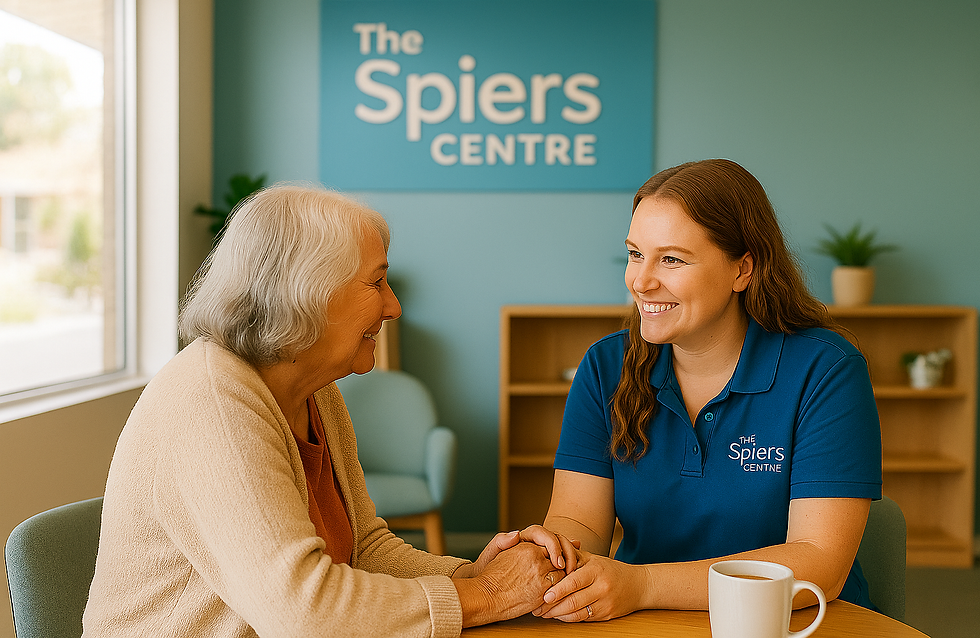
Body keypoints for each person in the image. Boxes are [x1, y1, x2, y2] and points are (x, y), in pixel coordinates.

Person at [82, 185, 576, 637]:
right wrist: (486, 596)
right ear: (308, 293)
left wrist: (472, 574)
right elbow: (303, 613)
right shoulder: (212, 403)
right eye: (376, 283)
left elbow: (364, 549)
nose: (393, 307)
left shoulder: (312, 390)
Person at [534, 159, 882, 622]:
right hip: (647, 620)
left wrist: (644, 583)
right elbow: (578, 523)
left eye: (672, 259)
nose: (641, 281)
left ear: (743, 269)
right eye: (635, 254)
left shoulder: (826, 370)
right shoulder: (605, 367)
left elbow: (820, 562)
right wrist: (554, 555)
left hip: (794, 621)